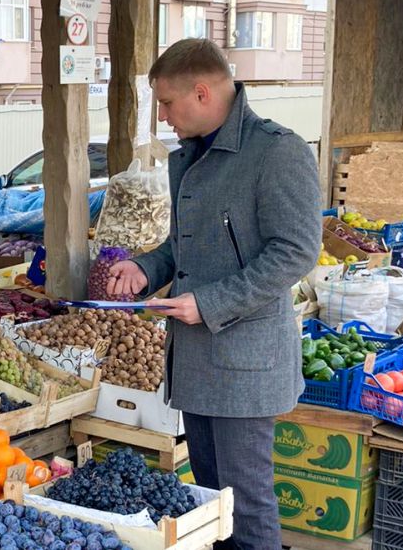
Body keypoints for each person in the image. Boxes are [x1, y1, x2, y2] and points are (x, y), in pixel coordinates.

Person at [107, 39, 321, 550]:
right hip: (195, 361)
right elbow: (183, 248)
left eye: (166, 103)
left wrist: (208, 304)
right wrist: (144, 266)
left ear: (201, 93)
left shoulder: (276, 152)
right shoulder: (188, 157)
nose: (163, 118)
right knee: (208, 504)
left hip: (246, 365)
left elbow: (295, 253)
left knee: (245, 508)